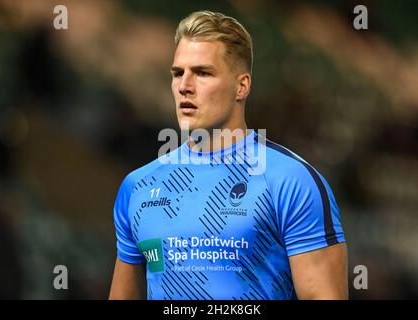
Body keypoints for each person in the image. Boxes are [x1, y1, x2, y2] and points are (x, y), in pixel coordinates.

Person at [109, 10, 347, 300]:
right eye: (178, 73)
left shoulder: (290, 181)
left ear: (241, 85)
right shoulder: (138, 186)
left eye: (203, 73)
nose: (185, 85)